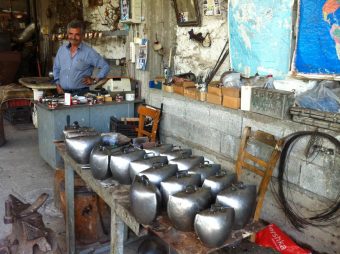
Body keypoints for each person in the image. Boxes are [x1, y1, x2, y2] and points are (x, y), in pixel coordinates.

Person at [53, 20, 110, 95]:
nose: (73, 37)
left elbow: (105, 66)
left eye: (77, 34)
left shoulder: (89, 52)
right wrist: (57, 85)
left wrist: (95, 80)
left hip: (81, 93)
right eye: (71, 34)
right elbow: (56, 68)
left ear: (82, 35)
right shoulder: (61, 50)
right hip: (63, 93)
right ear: (67, 34)